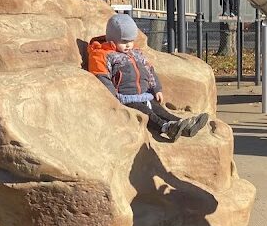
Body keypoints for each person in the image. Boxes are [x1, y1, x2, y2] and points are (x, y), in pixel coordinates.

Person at [88, 14, 208, 142]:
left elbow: (149, 70)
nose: (128, 45)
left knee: (160, 110)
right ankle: (167, 128)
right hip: (126, 98)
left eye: (131, 41)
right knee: (147, 114)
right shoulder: (102, 54)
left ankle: (183, 124)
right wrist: (113, 99)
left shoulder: (135, 53)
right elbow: (103, 77)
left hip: (145, 95)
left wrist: (156, 88)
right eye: (124, 41)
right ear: (112, 40)